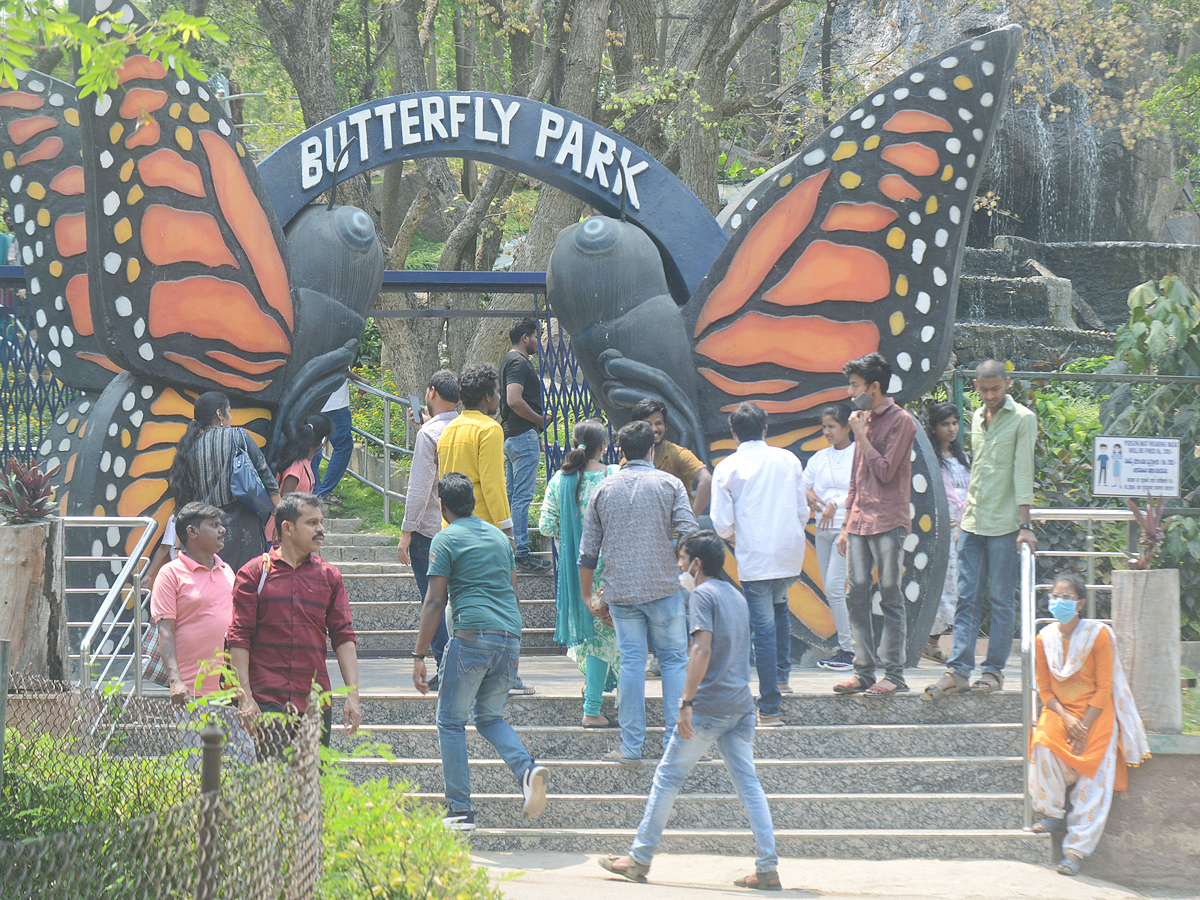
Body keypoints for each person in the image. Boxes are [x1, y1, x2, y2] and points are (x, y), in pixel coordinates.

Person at [598, 531, 778, 890]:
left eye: (682, 559)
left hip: (709, 708)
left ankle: (639, 859)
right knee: (749, 785)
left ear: (697, 563)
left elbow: (701, 651)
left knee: (667, 778)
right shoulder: (736, 596)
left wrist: (685, 703)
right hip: (741, 707)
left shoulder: (703, 596)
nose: (678, 566)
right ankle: (768, 866)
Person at [410, 473, 550, 832]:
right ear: (472, 502)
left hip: (471, 636)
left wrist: (419, 655)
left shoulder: (445, 539)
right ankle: (527, 769)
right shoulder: (501, 539)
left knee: (451, 722)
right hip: (510, 636)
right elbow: (513, 589)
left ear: (442, 506)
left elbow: (435, 600)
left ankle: (460, 810)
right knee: (489, 718)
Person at [579, 420, 698, 763]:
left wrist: (588, 597)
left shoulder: (605, 488)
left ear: (620, 451)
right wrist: (684, 574)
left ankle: (631, 747)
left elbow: (587, 552)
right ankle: (676, 747)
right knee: (674, 661)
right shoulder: (670, 483)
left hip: (621, 593)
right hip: (664, 589)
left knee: (631, 663)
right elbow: (689, 535)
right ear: (651, 450)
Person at [926, 359, 1037, 699]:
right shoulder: (974, 417)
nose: (990, 395)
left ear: (1007, 383)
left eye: (996, 389)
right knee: (966, 598)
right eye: (984, 389)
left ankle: (994, 671)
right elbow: (978, 473)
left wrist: (1025, 525)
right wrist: (965, 520)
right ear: (976, 385)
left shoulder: (1023, 419)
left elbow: (1022, 472)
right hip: (973, 524)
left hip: (1005, 525)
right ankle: (958, 670)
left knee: (1002, 599)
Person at [1028, 572, 1149, 877]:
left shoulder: (1098, 635)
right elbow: (1045, 690)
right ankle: (1052, 812)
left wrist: (1083, 725)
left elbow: (1104, 685)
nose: (1059, 602)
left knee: (1094, 779)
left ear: (1080, 603)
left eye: (1067, 597)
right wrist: (1067, 719)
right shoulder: (1044, 639)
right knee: (1042, 741)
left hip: (1097, 715)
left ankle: (1075, 852)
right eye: (1055, 596)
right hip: (1061, 712)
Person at [228, 492, 361, 750]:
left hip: (315, 702)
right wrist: (244, 697)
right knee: (273, 784)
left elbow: (343, 635)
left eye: (321, 522)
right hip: (267, 700)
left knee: (312, 786)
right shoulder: (254, 573)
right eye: (312, 523)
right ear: (287, 528)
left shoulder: (330, 576)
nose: (321, 529)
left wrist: (352, 694)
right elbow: (239, 637)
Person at [437, 362, 536, 696]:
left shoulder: (450, 428)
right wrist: (507, 530)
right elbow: (494, 484)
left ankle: (461, 669)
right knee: (505, 601)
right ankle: (507, 675)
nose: (499, 398)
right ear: (488, 396)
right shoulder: (490, 429)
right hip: (483, 530)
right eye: (496, 392)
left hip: (450, 528)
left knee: (456, 600)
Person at [711, 401, 808, 726]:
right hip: (790, 553)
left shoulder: (727, 467)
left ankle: (769, 707)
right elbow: (802, 510)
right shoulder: (789, 459)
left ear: (734, 433)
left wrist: (739, 537)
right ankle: (781, 678)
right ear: (765, 429)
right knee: (780, 607)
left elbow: (721, 524)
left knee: (763, 629)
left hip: (755, 556)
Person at [833, 352, 917, 697]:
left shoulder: (902, 421)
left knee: (890, 593)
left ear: (875, 387)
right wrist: (845, 523)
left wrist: (860, 435)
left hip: (888, 519)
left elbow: (883, 470)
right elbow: (856, 476)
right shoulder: (860, 417)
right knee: (855, 593)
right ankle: (863, 670)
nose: (851, 393)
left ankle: (894, 674)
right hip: (859, 521)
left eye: (855, 386)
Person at [538, 418, 621, 728]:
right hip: (612, 570)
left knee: (593, 638)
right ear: (604, 447)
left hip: (578, 573)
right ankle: (593, 708)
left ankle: (596, 691)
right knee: (610, 636)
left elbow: (546, 526)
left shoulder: (561, 480)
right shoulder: (614, 476)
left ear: (575, 444)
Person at [168, 391, 280, 573]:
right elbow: (266, 476)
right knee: (245, 584)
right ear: (220, 414)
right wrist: (280, 516)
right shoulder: (237, 436)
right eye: (229, 411)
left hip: (204, 531)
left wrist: (179, 546)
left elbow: (184, 501)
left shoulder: (189, 448)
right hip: (243, 526)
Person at [398, 369, 460, 688]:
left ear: (431, 392)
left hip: (431, 529)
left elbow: (420, 486)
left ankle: (445, 662)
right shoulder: (468, 428)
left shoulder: (429, 434)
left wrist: (407, 530)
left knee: (432, 600)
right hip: (463, 526)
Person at [151, 502, 235, 706]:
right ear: (192, 531)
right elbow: (166, 633)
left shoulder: (226, 569)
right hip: (193, 692)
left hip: (233, 690)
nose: (222, 530)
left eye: (221, 524)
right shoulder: (169, 574)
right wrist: (175, 681)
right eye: (214, 525)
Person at [806, 404, 856, 673]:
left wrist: (836, 503)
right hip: (823, 532)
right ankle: (849, 646)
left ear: (847, 427)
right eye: (824, 427)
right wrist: (807, 494)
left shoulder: (857, 454)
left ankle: (849, 650)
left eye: (832, 426)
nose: (827, 432)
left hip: (847, 531)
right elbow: (800, 483)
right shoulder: (819, 458)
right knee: (832, 590)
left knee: (836, 588)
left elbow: (861, 488)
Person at [500, 318, 551, 573]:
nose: (538, 341)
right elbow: (513, 399)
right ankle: (520, 552)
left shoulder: (509, 361)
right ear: (525, 338)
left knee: (511, 496)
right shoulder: (519, 362)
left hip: (513, 436)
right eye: (537, 335)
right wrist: (541, 420)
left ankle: (510, 549)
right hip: (521, 436)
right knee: (521, 497)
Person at [924, 401, 970, 664]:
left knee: (961, 586)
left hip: (967, 529)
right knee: (944, 587)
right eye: (945, 424)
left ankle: (932, 643)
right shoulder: (931, 461)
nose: (951, 429)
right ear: (934, 428)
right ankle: (928, 641)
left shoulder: (962, 457)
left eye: (954, 423)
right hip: (943, 530)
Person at [630, 398, 712, 519]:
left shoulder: (678, 454)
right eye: (648, 424)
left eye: (659, 423)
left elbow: (707, 480)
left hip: (675, 534)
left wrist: (691, 519)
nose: (654, 429)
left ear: (665, 426)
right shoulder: (630, 459)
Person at [266, 413, 332, 542]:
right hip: (280, 536)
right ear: (323, 441)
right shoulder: (297, 466)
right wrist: (280, 527)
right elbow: (285, 498)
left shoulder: (305, 465)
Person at [315, 376, 353, 503]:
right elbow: (342, 366)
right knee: (343, 447)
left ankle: (314, 489)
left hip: (315, 401)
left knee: (313, 447)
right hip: (335, 405)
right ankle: (323, 491)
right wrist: (359, 379)